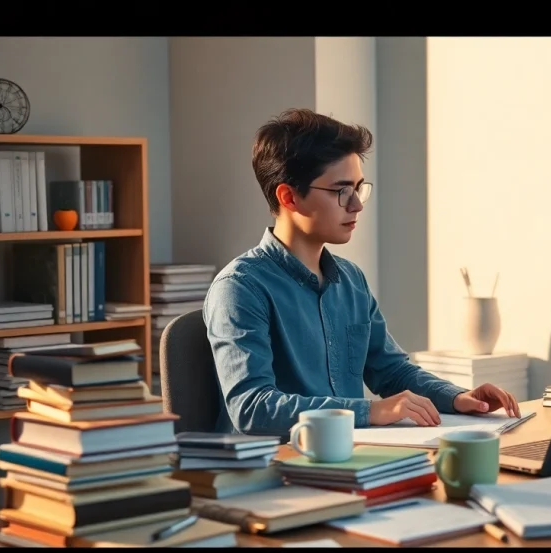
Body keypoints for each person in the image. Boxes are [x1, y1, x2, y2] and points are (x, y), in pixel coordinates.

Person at [203, 108, 521, 436]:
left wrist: (458, 397)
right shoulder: (240, 288)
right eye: (341, 191)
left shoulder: (351, 280)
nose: (356, 204)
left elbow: (392, 371)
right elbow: (253, 407)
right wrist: (370, 411)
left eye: (358, 188)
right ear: (289, 196)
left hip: (350, 458)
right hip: (276, 469)